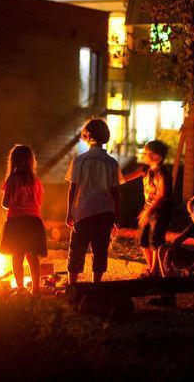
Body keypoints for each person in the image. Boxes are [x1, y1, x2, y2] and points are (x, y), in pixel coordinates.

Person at [65, 119, 124, 285]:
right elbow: (116, 192)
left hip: (83, 211)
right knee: (100, 249)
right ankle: (96, 286)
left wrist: (69, 212)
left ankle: (73, 286)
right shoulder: (112, 163)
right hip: (105, 212)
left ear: (88, 136)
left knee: (77, 248)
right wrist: (118, 215)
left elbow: (72, 189)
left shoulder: (79, 161)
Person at [0, 145, 48, 293]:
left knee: (17, 255)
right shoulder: (36, 181)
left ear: (13, 161)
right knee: (33, 256)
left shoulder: (12, 180)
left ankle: (20, 287)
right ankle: (36, 288)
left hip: (16, 222)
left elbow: (5, 203)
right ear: (31, 161)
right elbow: (39, 202)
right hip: (33, 221)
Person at [124, 140, 174, 278]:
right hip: (148, 209)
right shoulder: (144, 170)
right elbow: (126, 178)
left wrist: (148, 211)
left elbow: (162, 195)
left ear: (157, 157)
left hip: (159, 212)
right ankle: (150, 267)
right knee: (143, 239)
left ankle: (154, 270)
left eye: (146, 153)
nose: (143, 154)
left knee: (155, 241)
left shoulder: (163, 174)